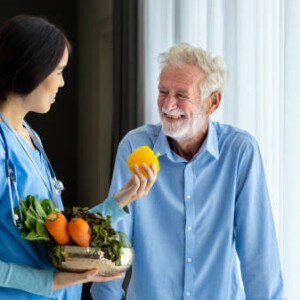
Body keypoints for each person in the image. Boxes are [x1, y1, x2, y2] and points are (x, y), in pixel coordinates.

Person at [91, 43, 286, 300]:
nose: (168, 104)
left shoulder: (240, 151)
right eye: (163, 91)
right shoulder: (134, 146)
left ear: (213, 102)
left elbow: (258, 255)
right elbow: (114, 242)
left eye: (181, 95)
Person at [0, 15, 157, 299]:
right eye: (58, 71)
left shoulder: (29, 136)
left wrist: (119, 201)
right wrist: (48, 283)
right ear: (34, 68)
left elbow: (59, 230)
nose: (62, 83)